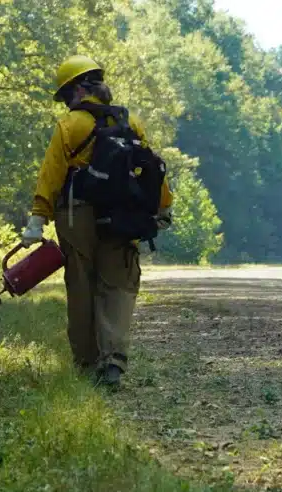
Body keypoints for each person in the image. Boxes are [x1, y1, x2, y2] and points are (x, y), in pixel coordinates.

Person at [20, 55, 174, 388]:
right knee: (117, 285)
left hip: (78, 215)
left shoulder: (70, 125)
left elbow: (51, 174)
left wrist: (38, 219)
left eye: (64, 96)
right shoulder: (130, 123)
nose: (65, 103)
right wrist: (163, 205)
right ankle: (114, 361)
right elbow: (150, 166)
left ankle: (87, 365)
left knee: (81, 285)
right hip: (123, 215)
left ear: (76, 90)